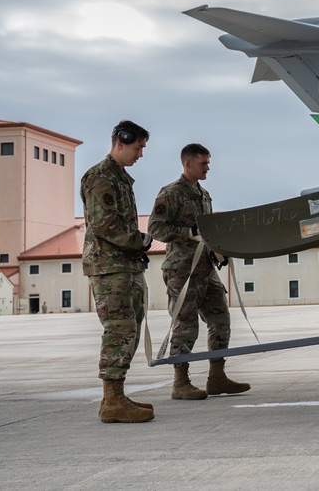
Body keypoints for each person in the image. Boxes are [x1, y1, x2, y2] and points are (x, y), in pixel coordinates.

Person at [149, 143, 250, 400]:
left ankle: (217, 377)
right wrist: (188, 233)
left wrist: (219, 250)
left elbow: (207, 232)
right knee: (186, 325)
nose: (208, 167)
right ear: (188, 164)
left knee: (220, 320)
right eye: (204, 163)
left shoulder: (204, 194)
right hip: (182, 271)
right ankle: (180, 382)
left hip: (206, 268)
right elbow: (155, 228)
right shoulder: (170, 193)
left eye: (208, 163)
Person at [80, 120, 154, 423]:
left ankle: (115, 395)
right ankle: (112, 400)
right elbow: (105, 225)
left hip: (124, 265)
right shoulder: (100, 178)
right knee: (120, 330)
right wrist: (141, 241)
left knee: (130, 329)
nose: (140, 154)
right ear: (120, 142)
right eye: (138, 148)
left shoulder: (120, 179)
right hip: (109, 267)